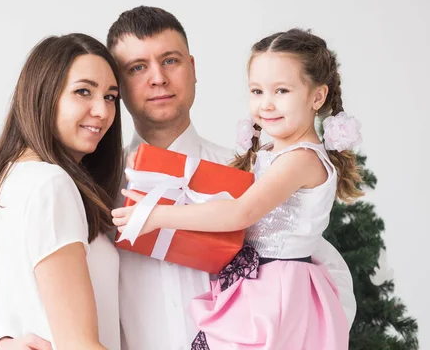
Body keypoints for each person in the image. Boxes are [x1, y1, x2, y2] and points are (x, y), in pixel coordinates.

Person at [0, 7, 356, 350]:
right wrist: (0, 341)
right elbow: (10, 273)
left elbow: (311, 262)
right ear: (119, 86)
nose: (157, 78)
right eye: (137, 68)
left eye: (170, 61)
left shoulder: (248, 172)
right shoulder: (91, 185)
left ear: (192, 67)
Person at [113, 28, 362, 349]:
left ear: (317, 96)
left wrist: (156, 215)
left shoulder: (300, 159)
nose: (267, 104)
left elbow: (239, 213)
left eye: (282, 91)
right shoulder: (275, 154)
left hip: (278, 292)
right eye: (257, 91)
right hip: (258, 282)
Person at [0, 33, 124, 350]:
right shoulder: (50, 185)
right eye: (84, 92)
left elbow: (0, 303)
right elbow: (77, 344)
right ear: (44, 95)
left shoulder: (11, 178)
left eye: (110, 97)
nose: (102, 111)